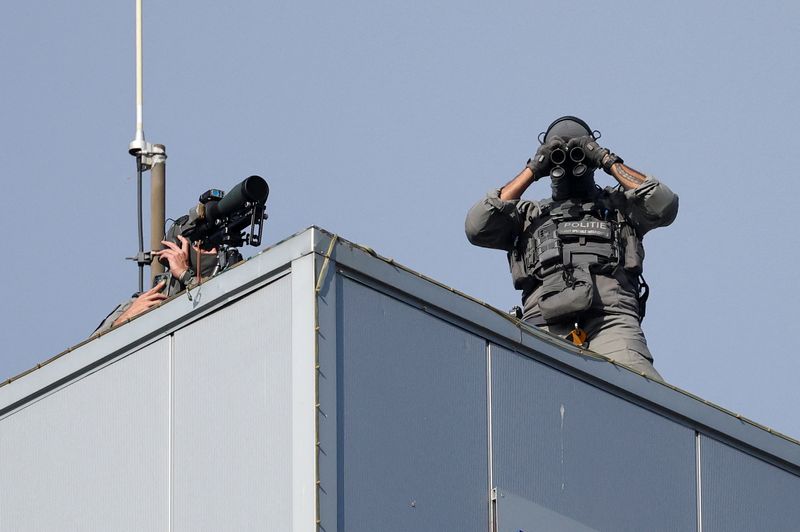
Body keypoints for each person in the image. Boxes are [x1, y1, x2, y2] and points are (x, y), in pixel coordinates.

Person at [465, 116, 678, 380]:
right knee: (531, 398)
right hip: (543, 322)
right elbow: (477, 226)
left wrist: (604, 159)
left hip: (611, 319)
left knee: (644, 394)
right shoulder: (528, 215)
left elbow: (664, 203)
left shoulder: (619, 207)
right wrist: (534, 168)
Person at [93, 225, 238, 335]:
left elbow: (220, 314)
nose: (212, 251)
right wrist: (124, 320)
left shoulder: (229, 283)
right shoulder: (143, 302)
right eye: (201, 244)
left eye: (215, 245)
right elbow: (86, 353)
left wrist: (185, 275)